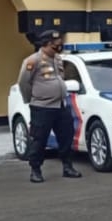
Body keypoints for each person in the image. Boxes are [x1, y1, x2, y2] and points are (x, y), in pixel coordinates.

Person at [17, 29, 82, 183]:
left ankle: (67, 166)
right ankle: (36, 170)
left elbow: (60, 78)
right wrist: (32, 100)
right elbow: (24, 83)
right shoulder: (33, 61)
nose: (59, 47)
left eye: (59, 44)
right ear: (45, 45)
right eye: (55, 45)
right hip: (42, 107)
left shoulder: (58, 59)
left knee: (66, 136)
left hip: (61, 105)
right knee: (39, 139)